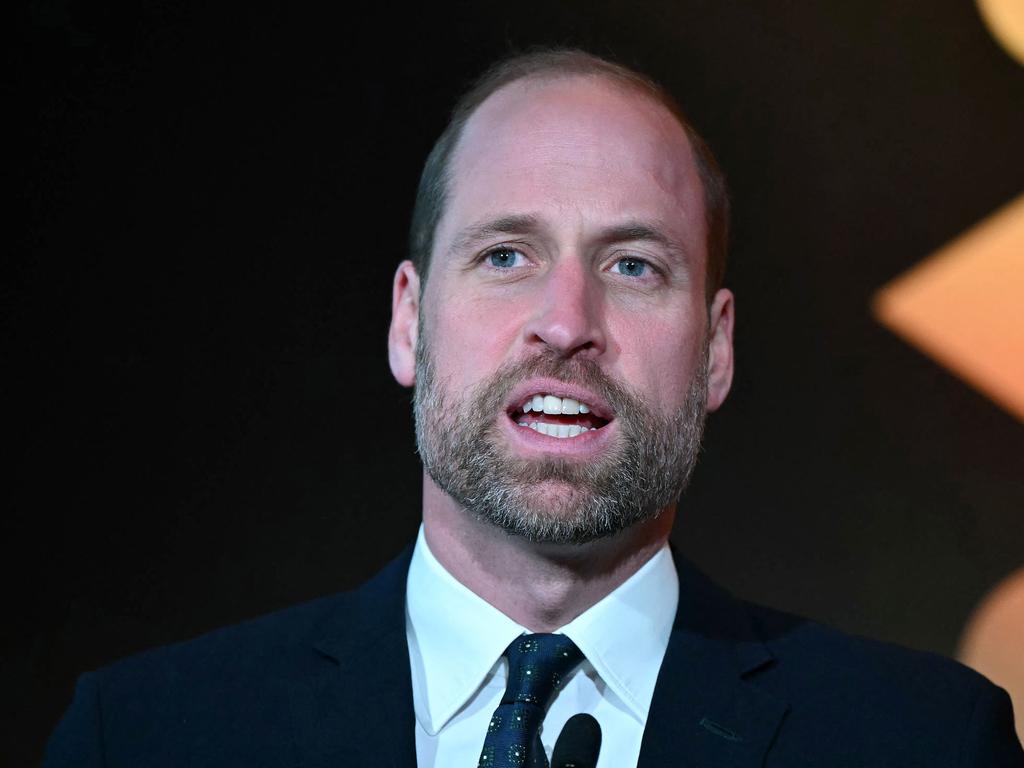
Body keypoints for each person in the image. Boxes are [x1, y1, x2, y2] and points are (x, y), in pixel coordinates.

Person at [44, 48, 1023, 768]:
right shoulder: (141, 737)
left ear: (716, 349)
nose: (566, 323)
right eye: (506, 255)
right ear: (407, 321)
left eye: (633, 265)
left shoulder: (925, 742)